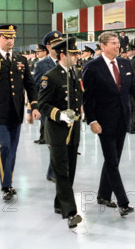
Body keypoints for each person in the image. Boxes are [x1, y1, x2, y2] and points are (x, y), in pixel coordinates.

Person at [82, 32, 135, 217]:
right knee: (112, 161)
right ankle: (123, 202)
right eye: (113, 43)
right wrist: (92, 120)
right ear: (103, 46)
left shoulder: (125, 64)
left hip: (122, 119)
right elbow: (87, 98)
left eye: (118, 43)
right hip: (103, 122)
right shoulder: (92, 67)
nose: (117, 46)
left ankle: (103, 194)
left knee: (114, 160)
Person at [0, 24, 40, 201]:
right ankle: (6, 185)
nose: (10, 40)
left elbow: (30, 84)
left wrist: (34, 106)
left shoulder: (21, 60)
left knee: (12, 149)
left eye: (12, 37)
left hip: (16, 113)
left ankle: (8, 181)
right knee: (4, 147)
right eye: (6, 37)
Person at [37, 37, 83, 229]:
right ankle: (70, 212)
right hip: (57, 131)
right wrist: (59, 115)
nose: (77, 57)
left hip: (74, 130)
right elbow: (43, 104)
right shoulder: (51, 76)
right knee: (61, 171)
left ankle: (59, 203)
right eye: (73, 54)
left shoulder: (74, 73)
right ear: (63, 55)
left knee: (70, 169)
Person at [33, 31, 63, 148]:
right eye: (54, 44)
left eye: (60, 43)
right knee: (55, 146)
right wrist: (34, 107)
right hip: (49, 109)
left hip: (66, 108)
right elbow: (36, 87)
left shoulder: (68, 61)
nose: (58, 47)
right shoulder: (41, 65)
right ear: (48, 47)